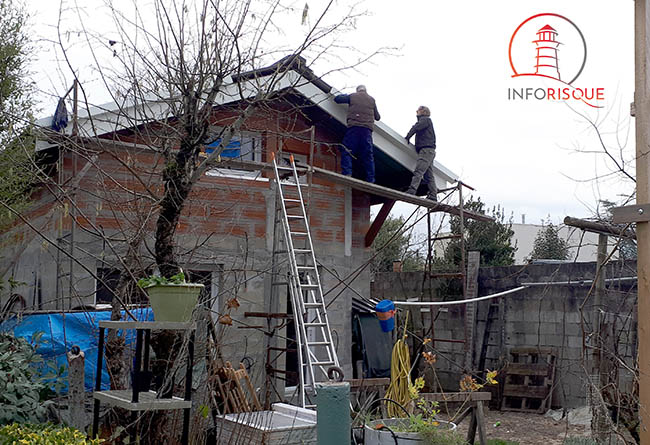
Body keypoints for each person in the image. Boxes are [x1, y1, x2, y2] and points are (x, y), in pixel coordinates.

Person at [334, 85, 381, 183]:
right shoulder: (372, 100)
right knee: (368, 155)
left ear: (357, 90)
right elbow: (377, 117)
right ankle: (370, 179)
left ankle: (347, 173)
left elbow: (337, 99)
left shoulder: (353, 96)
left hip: (354, 127)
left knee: (347, 150)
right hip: (367, 130)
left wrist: (346, 95)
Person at [405, 105, 437, 201]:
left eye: (418, 110)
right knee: (429, 175)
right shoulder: (426, 121)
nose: (416, 112)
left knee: (419, 171)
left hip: (426, 150)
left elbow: (416, 128)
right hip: (429, 151)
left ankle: (412, 190)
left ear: (423, 111)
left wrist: (408, 136)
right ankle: (433, 195)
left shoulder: (425, 120)